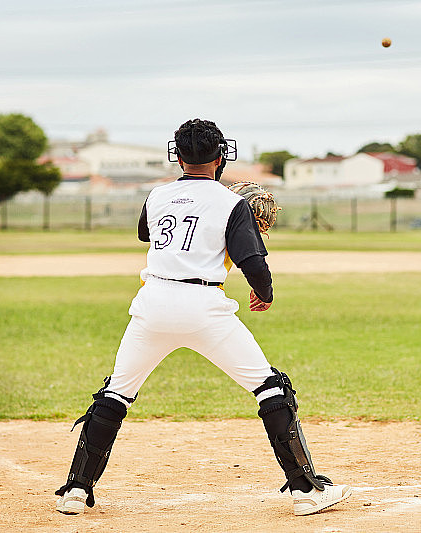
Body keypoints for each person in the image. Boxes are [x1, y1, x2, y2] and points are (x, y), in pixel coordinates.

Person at [55, 118, 351, 517]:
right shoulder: (232, 204)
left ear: (177, 157)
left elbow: (148, 233)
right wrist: (264, 293)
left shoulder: (157, 195)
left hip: (152, 305)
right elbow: (253, 263)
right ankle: (306, 491)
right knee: (270, 389)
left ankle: (75, 490)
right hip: (204, 308)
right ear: (221, 157)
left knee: (115, 394)